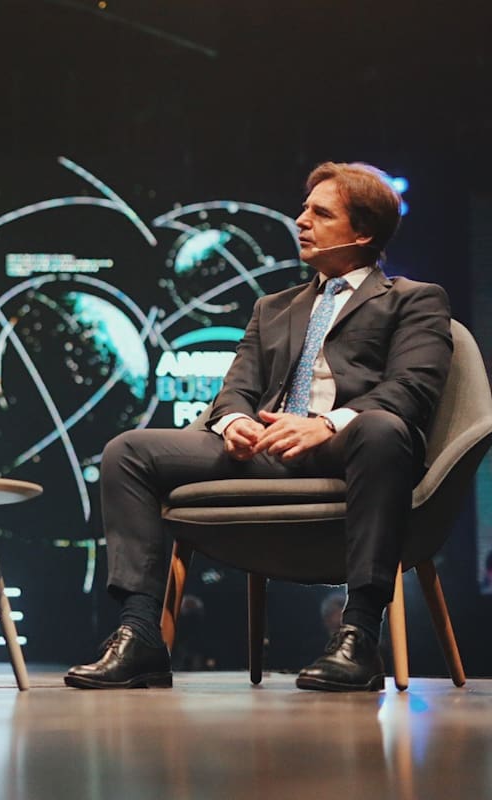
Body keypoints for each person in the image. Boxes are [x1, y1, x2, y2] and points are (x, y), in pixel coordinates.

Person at [66, 162, 452, 692]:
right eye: (304, 209)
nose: (301, 221)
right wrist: (234, 423)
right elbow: (235, 389)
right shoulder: (273, 307)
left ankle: (359, 635)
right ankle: (140, 635)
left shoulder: (413, 299)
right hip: (266, 450)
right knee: (128, 451)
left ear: (363, 232)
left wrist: (326, 425)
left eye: (321, 213)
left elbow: (413, 388)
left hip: (352, 450)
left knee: (382, 429)